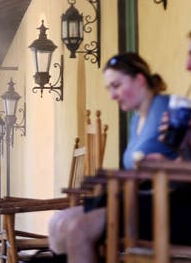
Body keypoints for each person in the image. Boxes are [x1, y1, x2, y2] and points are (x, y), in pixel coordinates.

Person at [49, 20, 191, 263]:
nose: (188, 65)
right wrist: (185, 144)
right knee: (72, 224)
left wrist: (173, 168)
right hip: (188, 203)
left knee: (79, 229)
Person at [47, 52, 177, 262]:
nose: (112, 95)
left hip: (158, 202)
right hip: (132, 197)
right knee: (57, 222)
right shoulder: (136, 119)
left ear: (140, 80)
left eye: (116, 86)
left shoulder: (166, 110)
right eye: (109, 89)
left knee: (74, 228)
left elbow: (185, 158)